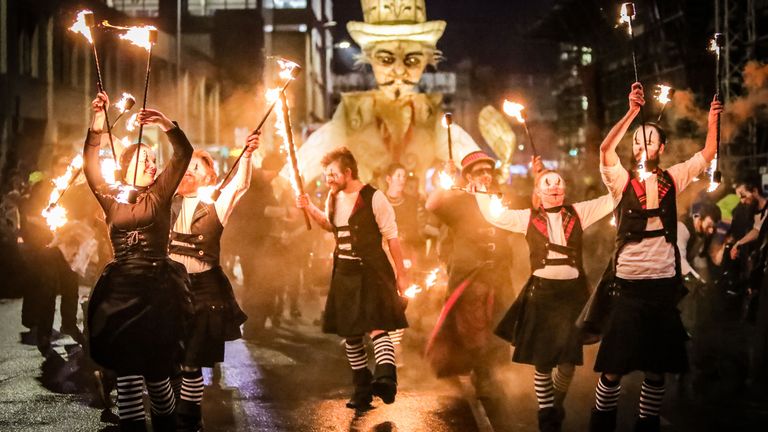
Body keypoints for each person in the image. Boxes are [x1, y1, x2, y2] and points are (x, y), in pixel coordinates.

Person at [588, 83, 722, 432]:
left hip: (662, 288)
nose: (640, 145)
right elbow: (605, 148)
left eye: (649, 140)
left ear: (662, 147)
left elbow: (709, 152)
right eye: (636, 141)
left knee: (656, 370)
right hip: (628, 288)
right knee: (613, 370)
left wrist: (712, 120)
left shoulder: (672, 178)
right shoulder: (619, 181)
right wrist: (632, 110)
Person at [475, 157, 613, 432]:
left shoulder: (578, 213)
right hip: (541, 294)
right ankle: (546, 412)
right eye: (546, 186)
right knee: (542, 362)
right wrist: (481, 191)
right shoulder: (527, 218)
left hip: (571, 296)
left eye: (558, 185)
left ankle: (556, 402)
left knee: (567, 361)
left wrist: (619, 177)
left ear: (564, 190)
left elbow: (610, 201)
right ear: (538, 193)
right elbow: (495, 215)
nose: (553, 189)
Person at [83, 92, 194, 431]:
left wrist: (164, 124)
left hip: (157, 293)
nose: (152, 164)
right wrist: (98, 122)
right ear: (126, 166)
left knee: (158, 378)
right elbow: (89, 163)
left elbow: (182, 154)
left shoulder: (159, 194)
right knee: (129, 376)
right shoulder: (111, 200)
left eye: (152, 159)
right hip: (120, 295)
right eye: (143, 159)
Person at [287, 0, 478, 186]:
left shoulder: (427, 112)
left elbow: (458, 145)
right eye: (386, 59)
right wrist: (284, 183)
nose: (399, 71)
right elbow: (319, 147)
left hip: (412, 210)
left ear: (425, 61)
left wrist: (480, 168)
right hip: (366, 211)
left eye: (411, 61)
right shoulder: (353, 111)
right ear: (371, 59)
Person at [297, 147, 409, 410]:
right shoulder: (333, 198)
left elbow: (392, 238)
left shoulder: (375, 197)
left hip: (372, 271)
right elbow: (330, 225)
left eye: (333, 174)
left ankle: (385, 379)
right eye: (326, 175)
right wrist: (309, 207)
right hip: (344, 273)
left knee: (378, 326)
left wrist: (402, 274)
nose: (329, 180)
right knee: (351, 335)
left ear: (348, 172)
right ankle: (361, 389)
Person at [169, 134, 259, 431]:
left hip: (205, 289)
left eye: (197, 166)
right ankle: (176, 412)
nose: (189, 170)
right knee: (174, 357)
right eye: (187, 165)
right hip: (171, 289)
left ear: (209, 176)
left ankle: (188, 418)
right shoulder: (167, 200)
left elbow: (242, 186)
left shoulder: (216, 204)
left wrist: (246, 154)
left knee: (193, 359)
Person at [424, 151, 513, 397]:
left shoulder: (500, 199)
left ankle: (490, 372)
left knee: (497, 325)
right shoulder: (459, 201)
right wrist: (448, 177)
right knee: (474, 328)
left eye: (488, 171)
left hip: (498, 275)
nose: (485, 176)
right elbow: (431, 204)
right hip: (472, 278)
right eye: (479, 172)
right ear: (468, 177)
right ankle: (482, 374)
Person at [19, 153, 83, 353]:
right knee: (48, 289)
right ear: (54, 167)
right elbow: (31, 216)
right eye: (61, 165)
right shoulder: (43, 188)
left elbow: (81, 213)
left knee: (71, 287)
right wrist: (48, 226)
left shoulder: (74, 190)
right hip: (47, 247)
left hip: (69, 247)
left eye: (67, 165)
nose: (65, 169)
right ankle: (44, 332)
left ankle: (69, 324)